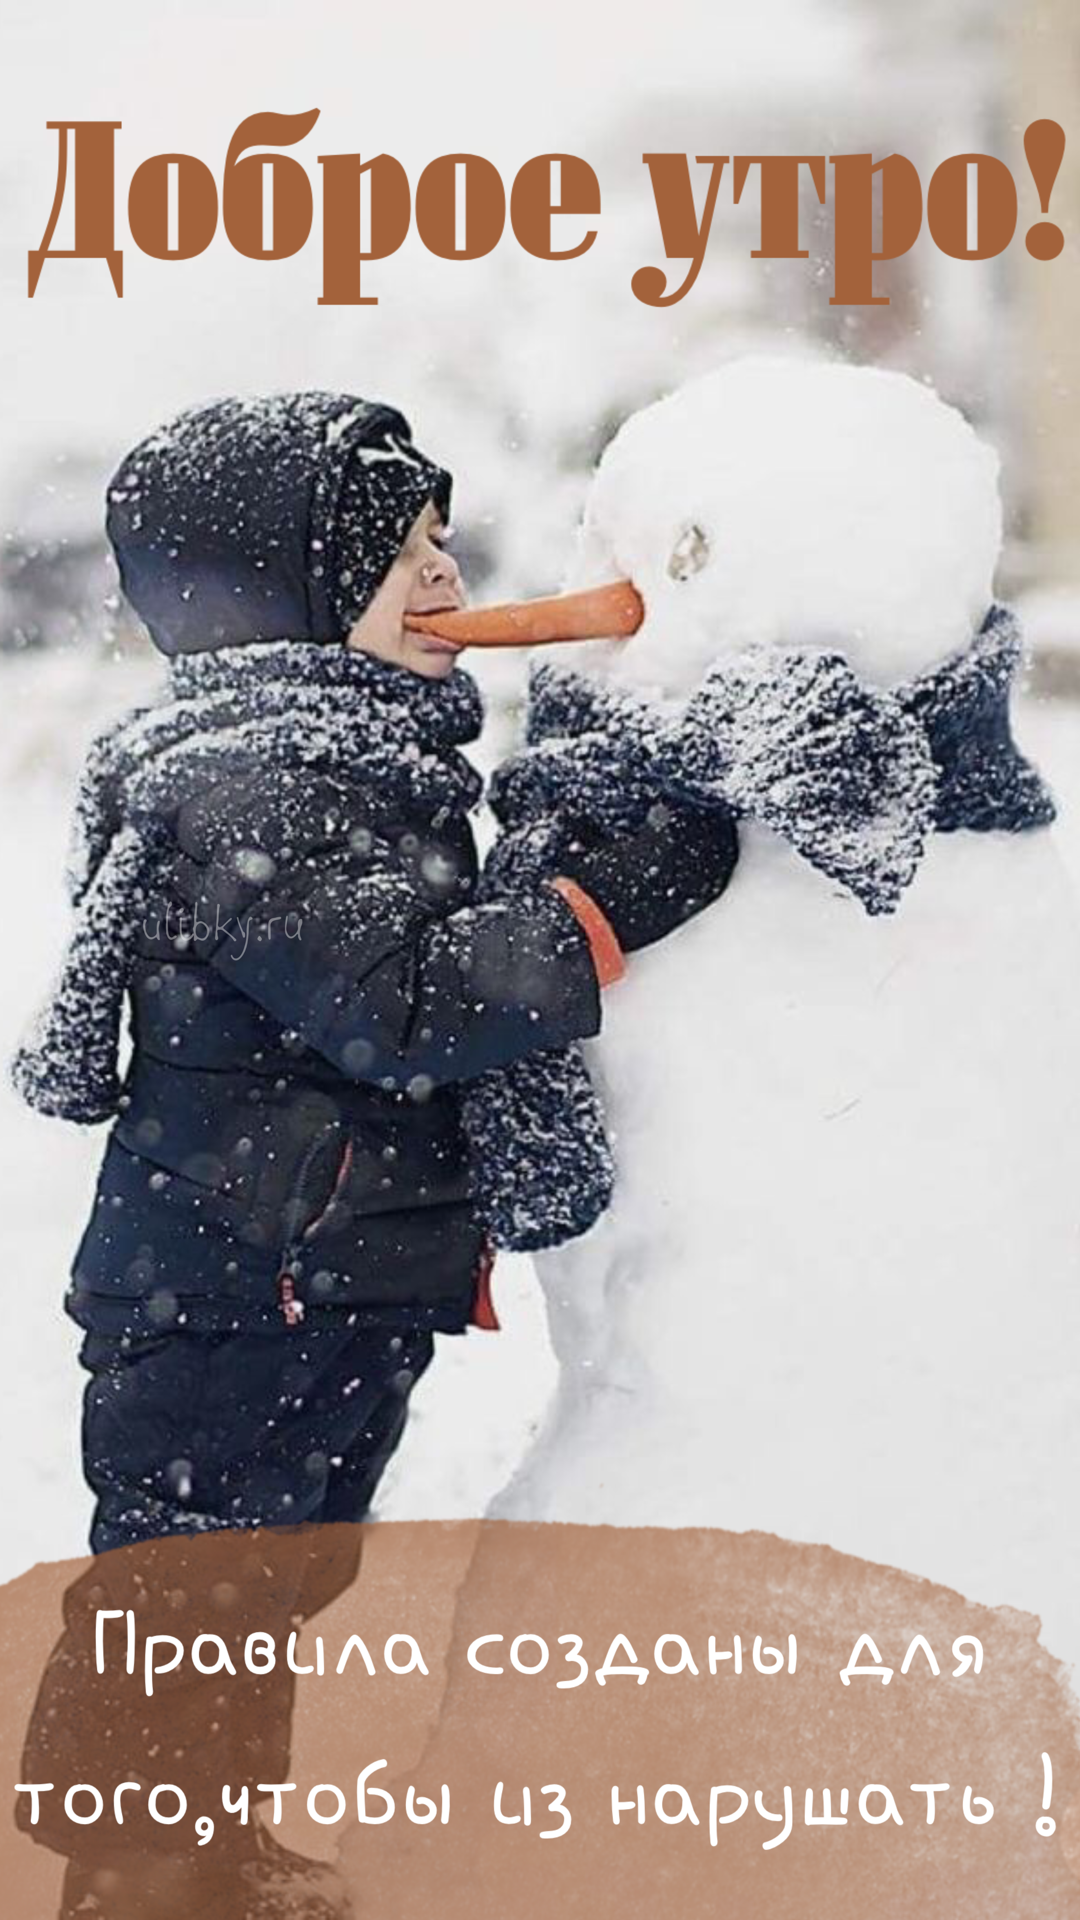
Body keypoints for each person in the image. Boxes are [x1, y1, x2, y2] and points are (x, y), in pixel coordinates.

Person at [12, 391, 739, 1918]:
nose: (445, 584)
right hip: (236, 1292)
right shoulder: (256, 786)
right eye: (392, 555)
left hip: (300, 1278)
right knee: (195, 1591)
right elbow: (406, 1000)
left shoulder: (345, 766)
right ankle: (137, 1877)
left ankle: (201, 1846)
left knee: (260, 1586)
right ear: (276, 591)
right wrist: (604, 903)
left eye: (440, 544)